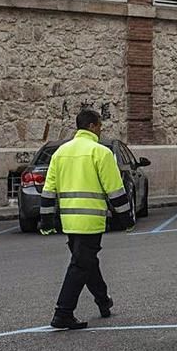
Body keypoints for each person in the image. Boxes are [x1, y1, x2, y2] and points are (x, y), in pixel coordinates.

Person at [39, 109, 134, 330]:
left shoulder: (60, 153)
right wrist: (126, 219)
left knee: (87, 262)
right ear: (91, 126)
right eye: (100, 125)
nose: (101, 129)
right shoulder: (100, 153)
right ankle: (63, 313)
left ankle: (103, 301)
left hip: (69, 221)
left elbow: (48, 190)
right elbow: (115, 190)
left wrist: (46, 221)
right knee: (80, 265)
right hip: (90, 220)